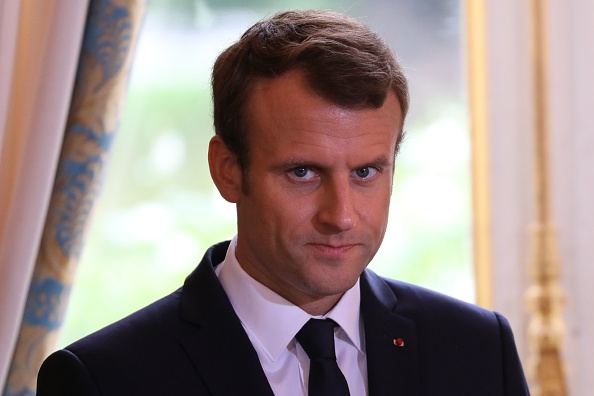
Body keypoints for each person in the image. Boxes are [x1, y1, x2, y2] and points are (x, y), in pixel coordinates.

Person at [37, 9, 529, 395]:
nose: (340, 216)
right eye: (303, 172)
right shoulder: (104, 380)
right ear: (227, 170)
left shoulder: (478, 350)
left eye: (365, 172)